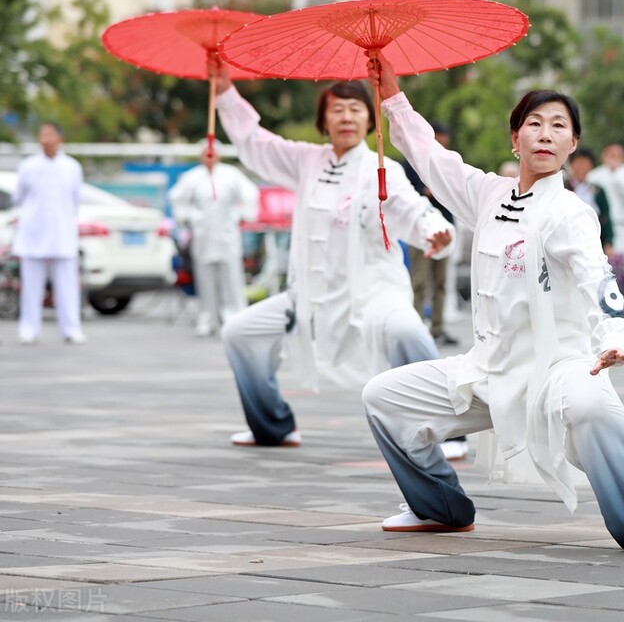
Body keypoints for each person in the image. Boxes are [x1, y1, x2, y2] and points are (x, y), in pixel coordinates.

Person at [362, 51, 624, 555]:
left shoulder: (571, 212)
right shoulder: (487, 193)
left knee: (591, 404)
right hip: (486, 371)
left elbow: (598, 278)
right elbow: (430, 156)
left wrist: (613, 336)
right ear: (514, 138)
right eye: (534, 123)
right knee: (382, 397)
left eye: (558, 126)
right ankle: (440, 508)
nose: (545, 133)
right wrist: (391, 93)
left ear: (573, 144)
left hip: (555, 370)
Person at [209, 56, 459, 454]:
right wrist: (224, 92)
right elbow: (256, 142)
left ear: (369, 120)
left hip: (372, 292)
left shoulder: (383, 169)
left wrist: (435, 230)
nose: (346, 117)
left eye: (356, 109)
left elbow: (412, 209)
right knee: (240, 332)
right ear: (323, 122)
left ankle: (448, 432)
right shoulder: (307, 161)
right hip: (309, 296)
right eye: (336, 109)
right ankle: (272, 426)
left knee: (408, 332)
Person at [168, 144, 260, 336]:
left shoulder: (231, 174)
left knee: (232, 276)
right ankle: (207, 317)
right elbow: (177, 198)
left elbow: (250, 194)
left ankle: (234, 315)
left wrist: (243, 214)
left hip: (227, 233)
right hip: (203, 235)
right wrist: (188, 217)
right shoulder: (192, 177)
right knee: (205, 278)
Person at [13, 123, 85, 345]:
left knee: (67, 285)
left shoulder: (72, 167)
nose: (45, 138)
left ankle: (71, 328)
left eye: (50, 134)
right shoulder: (28, 166)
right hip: (33, 232)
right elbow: (19, 196)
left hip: (62, 233)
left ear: (60, 138)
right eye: (42, 134)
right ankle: (29, 328)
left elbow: (75, 199)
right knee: (31, 286)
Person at [403, 122, 459, 347]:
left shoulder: (449, 163)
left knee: (441, 282)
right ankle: (416, 327)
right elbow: (403, 193)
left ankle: (437, 327)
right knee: (419, 281)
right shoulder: (410, 163)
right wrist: (424, 192)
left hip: (444, 229)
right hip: (419, 230)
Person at [588, 142, 624, 328]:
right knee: (602, 270)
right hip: (602, 229)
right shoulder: (595, 175)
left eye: (617, 155)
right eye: (610, 154)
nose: (613, 158)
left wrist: (615, 173)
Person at [565, 148, 613, 251]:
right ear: (572, 165)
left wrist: (608, 242)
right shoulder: (563, 187)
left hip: (593, 240)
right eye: (579, 163)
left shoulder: (598, 191)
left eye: (586, 163)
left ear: (591, 166)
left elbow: (606, 216)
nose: (582, 167)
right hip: (567, 239)